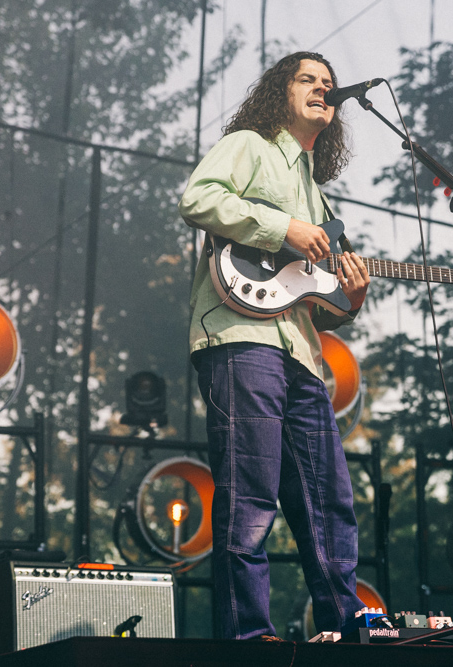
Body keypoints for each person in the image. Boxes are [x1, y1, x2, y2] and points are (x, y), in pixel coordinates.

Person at [178, 51, 370, 640]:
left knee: (329, 503)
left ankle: (346, 627)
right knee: (251, 491)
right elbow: (197, 198)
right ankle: (249, 637)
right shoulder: (251, 145)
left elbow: (308, 299)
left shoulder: (318, 192)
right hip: (241, 338)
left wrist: (351, 300)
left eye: (330, 85)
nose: (323, 90)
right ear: (279, 92)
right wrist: (284, 228)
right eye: (308, 80)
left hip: (304, 354)